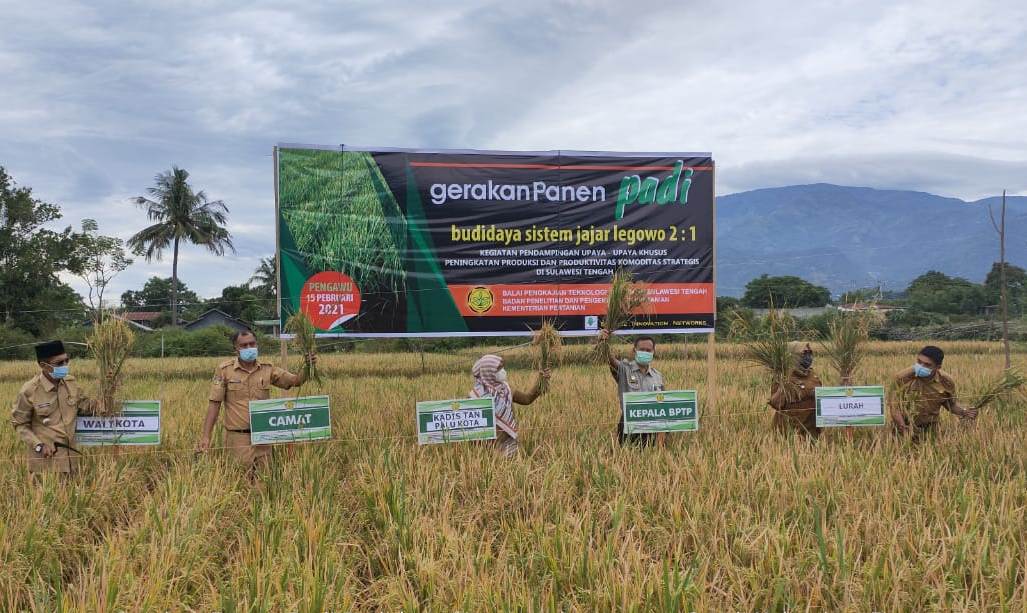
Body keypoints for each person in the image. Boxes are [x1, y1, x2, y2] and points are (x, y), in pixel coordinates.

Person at [197, 330, 315, 471]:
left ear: (257, 345)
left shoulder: (267, 369)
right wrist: (206, 436)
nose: (249, 348)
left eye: (252, 344)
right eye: (244, 345)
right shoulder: (225, 370)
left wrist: (308, 367)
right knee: (239, 481)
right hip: (237, 437)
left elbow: (295, 381)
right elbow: (214, 404)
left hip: (263, 436)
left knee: (264, 481)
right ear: (236, 349)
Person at [10, 340, 97, 476]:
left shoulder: (71, 383)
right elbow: (20, 424)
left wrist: (106, 390)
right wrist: (38, 445)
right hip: (46, 464)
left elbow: (86, 407)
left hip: (72, 461)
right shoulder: (29, 390)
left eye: (66, 361)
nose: (65, 366)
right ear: (43, 365)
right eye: (59, 363)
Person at [469, 354, 549, 457]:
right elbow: (468, 426)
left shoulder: (506, 390)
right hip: (485, 451)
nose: (503, 371)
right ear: (489, 372)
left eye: (502, 368)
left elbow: (527, 399)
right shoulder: (476, 396)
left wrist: (541, 381)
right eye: (499, 369)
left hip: (509, 445)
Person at [890, 345, 976, 439]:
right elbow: (894, 406)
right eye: (919, 362)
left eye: (927, 365)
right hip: (904, 426)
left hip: (931, 429)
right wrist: (903, 427)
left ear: (938, 367)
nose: (921, 367)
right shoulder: (902, 378)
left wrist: (964, 412)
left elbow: (950, 405)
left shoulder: (946, 381)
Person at [598, 330, 665, 446]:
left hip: (653, 425)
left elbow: (664, 402)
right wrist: (604, 342)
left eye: (648, 350)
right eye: (641, 350)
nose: (645, 352)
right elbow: (610, 360)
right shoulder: (624, 369)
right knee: (628, 459)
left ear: (653, 351)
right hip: (630, 424)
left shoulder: (657, 376)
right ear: (634, 350)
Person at [768, 341, 821, 438]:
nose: (808, 357)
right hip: (789, 430)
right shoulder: (783, 376)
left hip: (811, 429)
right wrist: (786, 386)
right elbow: (775, 403)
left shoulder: (812, 375)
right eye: (804, 353)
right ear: (793, 355)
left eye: (810, 353)